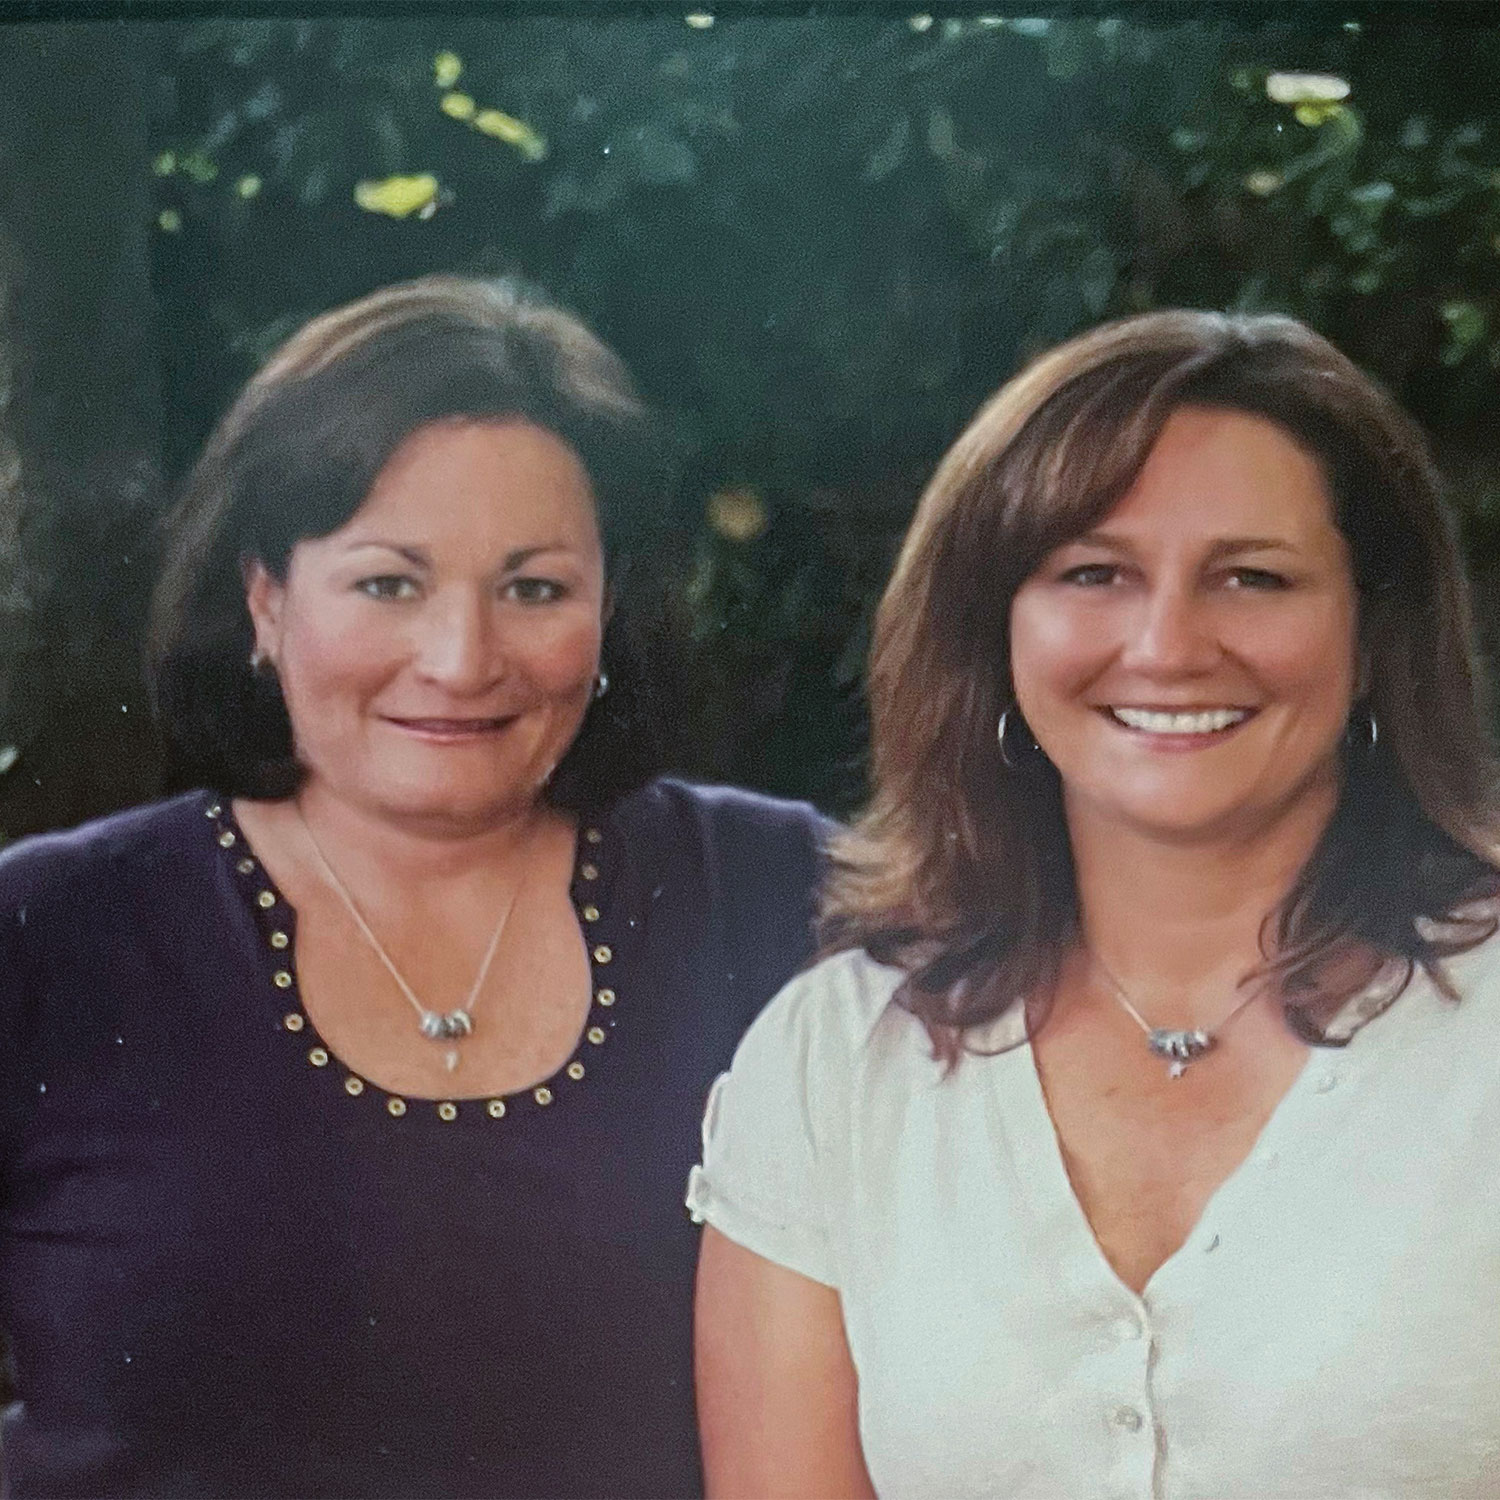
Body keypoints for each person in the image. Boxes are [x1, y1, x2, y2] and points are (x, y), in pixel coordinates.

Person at [0, 274, 829, 1499]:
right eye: (388, 582)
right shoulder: (47, 937)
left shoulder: (786, 902)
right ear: (265, 598)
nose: (462, 658)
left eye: (535, 588)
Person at [690, 309, 1500, 1499]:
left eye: (1253, 576)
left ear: (1373, 635)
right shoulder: (834, 1064)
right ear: (994, 632)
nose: (1168, 645)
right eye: (1093, 574)